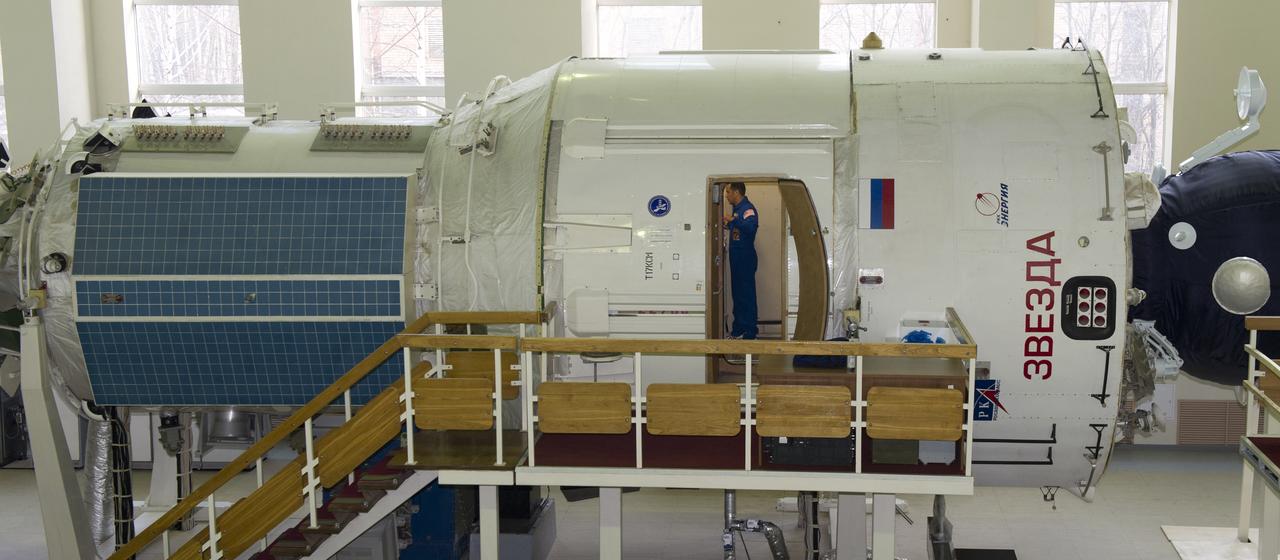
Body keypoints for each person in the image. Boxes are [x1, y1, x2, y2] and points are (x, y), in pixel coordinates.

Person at [722, 182, 759, 339]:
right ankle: (739, 329)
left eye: (728, 192)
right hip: (736, 258)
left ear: (737, 192)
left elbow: (751, 228)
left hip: (745, 257)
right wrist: (728, 225)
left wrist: (733, 221)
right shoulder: (737, 210)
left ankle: (750, 332)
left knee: (746, 296)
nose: (726, 195)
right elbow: (739, 231)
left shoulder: (747, 208)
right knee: (738, 295)